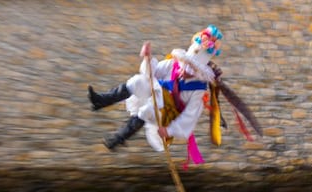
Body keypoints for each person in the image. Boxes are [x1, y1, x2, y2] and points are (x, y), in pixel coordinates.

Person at [88, 25, 224, 152]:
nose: (184, 71)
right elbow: (151, 72)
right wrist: (148, 58)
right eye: (185, 65)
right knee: (138, 81)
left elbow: (190, 117)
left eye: (191, 70)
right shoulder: (173, 65)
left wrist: (169, 130)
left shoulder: (199, 91)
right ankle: (102, 100)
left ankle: (119, 138)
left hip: (167, 115)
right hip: (157, 97)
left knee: (149, 107)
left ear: (198, 72)